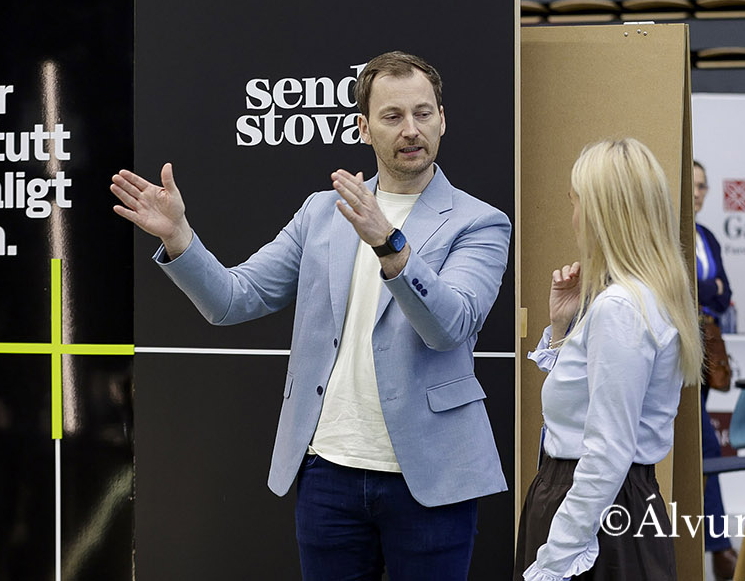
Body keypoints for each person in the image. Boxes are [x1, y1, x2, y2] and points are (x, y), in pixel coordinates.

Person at [110, 51, 510, 581]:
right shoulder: (322, 212)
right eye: (392, 116)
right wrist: (180, 237)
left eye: (423, 113)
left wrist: (390, 245)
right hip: (328, 474)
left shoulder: (480, 222)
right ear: (363, 128)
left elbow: (450, 327)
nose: (411, 130)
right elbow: (233, 299)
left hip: (433, 477)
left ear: (442, 119)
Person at [516, 138, 703, 580]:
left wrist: (555, 559)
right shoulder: (640, 298)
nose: (573, 217)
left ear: (602, 213)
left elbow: (607, 452)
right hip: (605, 507)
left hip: (594, 515)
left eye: (576, 202)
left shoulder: (621, 307)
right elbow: (587, 407)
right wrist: (562, 329)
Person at [692, 161, 738, 579]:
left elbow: (725, 294)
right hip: (681, 349)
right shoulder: (668, 232)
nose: (698, 193)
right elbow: (688, 287)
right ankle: (720, 549)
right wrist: (710, 289)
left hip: (708, 347)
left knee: (704, 447)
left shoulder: (706, 236)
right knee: (705, 447)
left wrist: (708, 290)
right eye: (691, 185)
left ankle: (719, 549)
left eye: (704, 186)